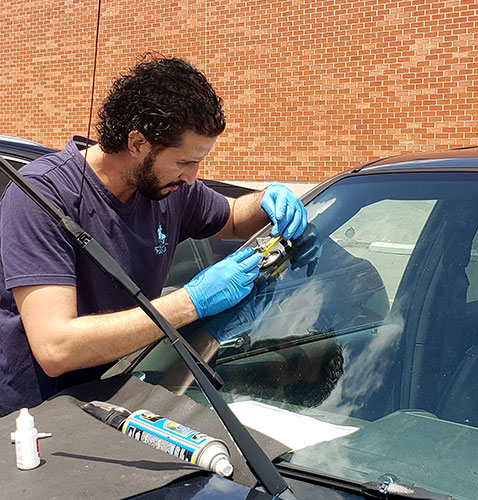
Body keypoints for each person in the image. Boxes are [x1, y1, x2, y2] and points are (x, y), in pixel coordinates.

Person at [0, 55, 308, 417]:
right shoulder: (44, 195)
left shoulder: (169, 190)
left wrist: (270, 200)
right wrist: (189, 302)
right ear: (137, 142)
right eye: (183, 162)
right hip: (37, 422)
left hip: (118, 403)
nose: (192, 177)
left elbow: (234, 217)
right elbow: (56, 348)